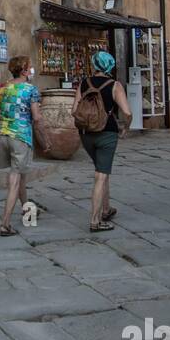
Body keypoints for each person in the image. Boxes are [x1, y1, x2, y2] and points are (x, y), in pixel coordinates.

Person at [73, 50, 132, 232]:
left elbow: (74, 110)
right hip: (107, 133)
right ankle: (95, 220)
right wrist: (125, 127)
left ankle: (106, 209)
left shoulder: (83, 83)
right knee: (101, 175)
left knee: (102, 169)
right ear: (109, 66)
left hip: (86, 134)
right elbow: (127, 113)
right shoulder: (114, 85)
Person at [0, 55, 49, 237]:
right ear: (24, 70)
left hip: (1, 134)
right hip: (20, 136)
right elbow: (37, 117)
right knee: (15, 179)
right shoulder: (30, 90)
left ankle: (27, 209)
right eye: (30, 67)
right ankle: (5, 224)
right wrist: (45, 140)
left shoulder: (3, 87)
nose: (31, 70)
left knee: (20, 174)